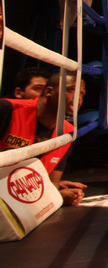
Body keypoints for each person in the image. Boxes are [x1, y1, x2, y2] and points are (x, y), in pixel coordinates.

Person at [0, 76, 87, 205]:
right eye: (71, 89)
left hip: (20, 203)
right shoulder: (7, 109)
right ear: (49, 91)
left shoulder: (68, 133)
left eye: (81, 93)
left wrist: (57, 196)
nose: (78, 98)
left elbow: (52, 182)